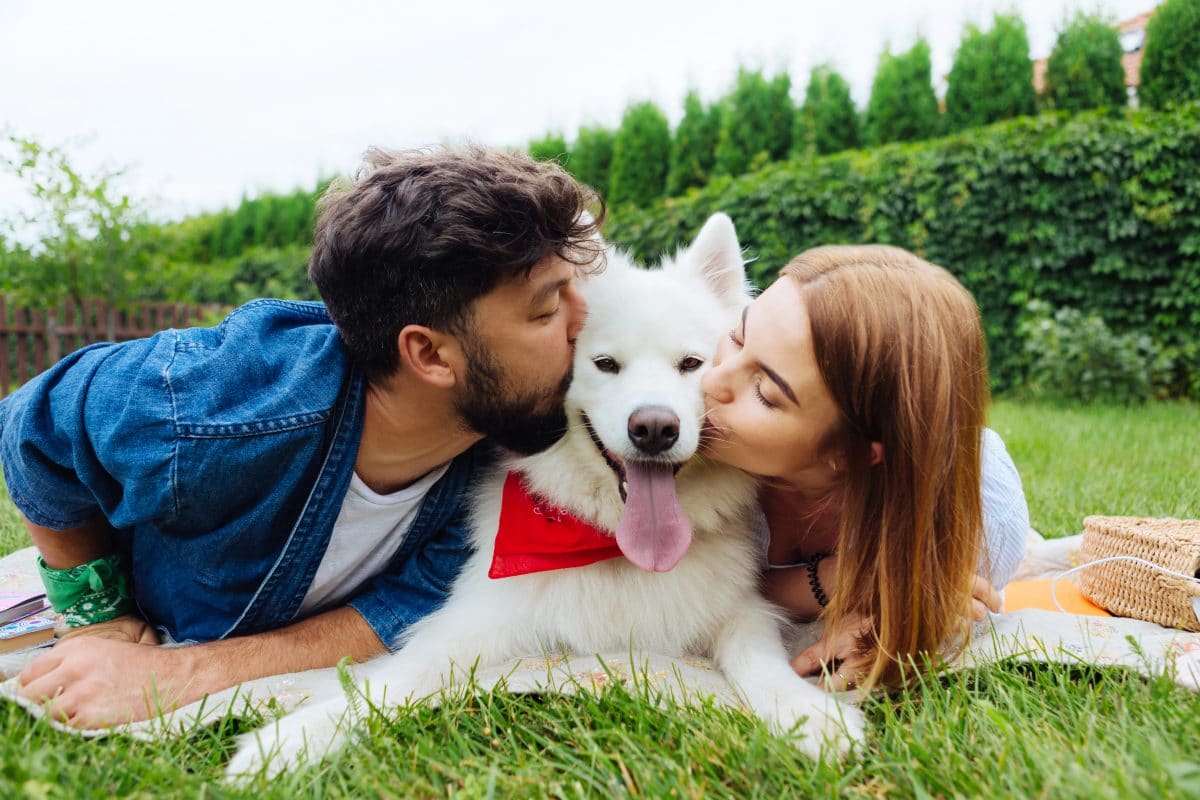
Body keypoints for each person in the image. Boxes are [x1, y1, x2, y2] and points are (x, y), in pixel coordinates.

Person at [0, 146, 603, 727]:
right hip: (160, 582)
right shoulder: (214, 405)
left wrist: (187, 673)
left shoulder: (508, 441)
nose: (591, 324)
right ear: (429, 354)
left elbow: (403, 607)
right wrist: (97, 615)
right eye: (548, 310)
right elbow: (34, 429)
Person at [700, 244, 1029, 691]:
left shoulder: (985, 515)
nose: (712, 380)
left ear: (852, 454)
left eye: (765, 392)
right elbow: (683, 591)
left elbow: (941, 597)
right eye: (738, 336)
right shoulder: (690, 461)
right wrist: (845, 580)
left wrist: (893, 614)